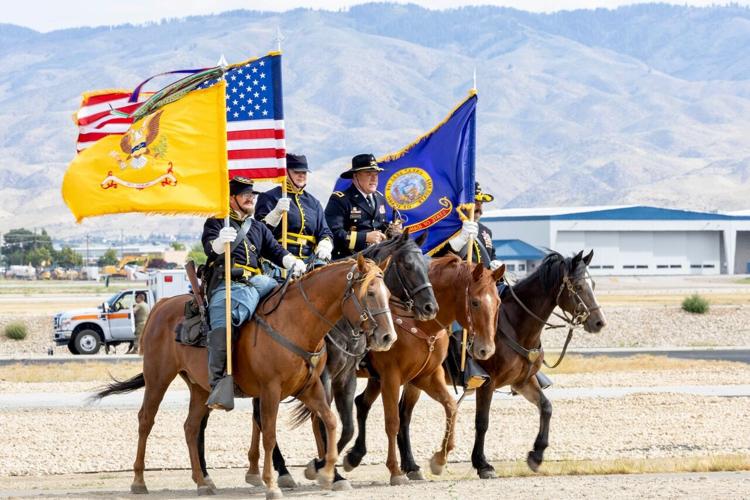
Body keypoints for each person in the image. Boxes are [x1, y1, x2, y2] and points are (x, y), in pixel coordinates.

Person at [201, 176, 306, 411]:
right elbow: (209, 249)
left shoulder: (257, 226)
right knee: (223, 322)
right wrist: (219, 244)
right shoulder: (217, 222)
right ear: (231, 199)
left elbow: (275, 250)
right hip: (229, 284)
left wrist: (290, 260)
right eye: (245, 195)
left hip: (259, 282)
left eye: (252, 195)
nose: (251, 198)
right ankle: (219, 383)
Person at [255, 153, 334, 267]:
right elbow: (259, 233)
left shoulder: (314, 202)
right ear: (286, 173)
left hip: (310, 260)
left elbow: (325, 231)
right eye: (297, 172)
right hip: (279, 261)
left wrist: (325, 245)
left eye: (304, 172)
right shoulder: (269, 197)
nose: (301, 175)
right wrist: (276, 214)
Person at [325, 153, 398, 259]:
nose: (374, 179)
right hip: (349, 259)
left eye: (376, 174)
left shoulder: (379, 198)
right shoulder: (340, 199)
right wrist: (365, 237)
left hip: (376, 257)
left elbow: (378, 224)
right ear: (355, 176)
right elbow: (333, 233)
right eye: (368, 173)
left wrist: (391, 229)